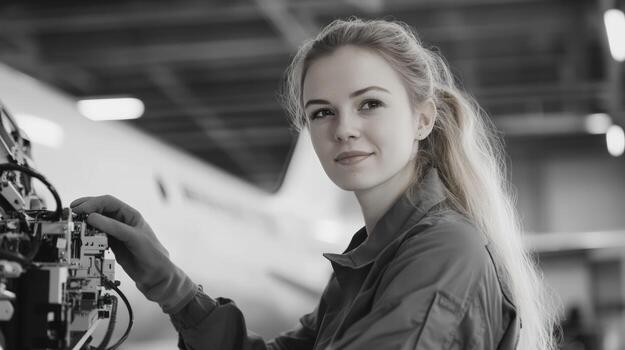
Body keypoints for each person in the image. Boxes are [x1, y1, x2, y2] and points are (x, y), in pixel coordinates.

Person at [71, 18, 560, 349]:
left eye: (370, 103)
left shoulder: (442, 253)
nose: (343, 128)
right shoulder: (370, 257)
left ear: (423, 118)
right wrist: (166, 280)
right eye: (322, 112)